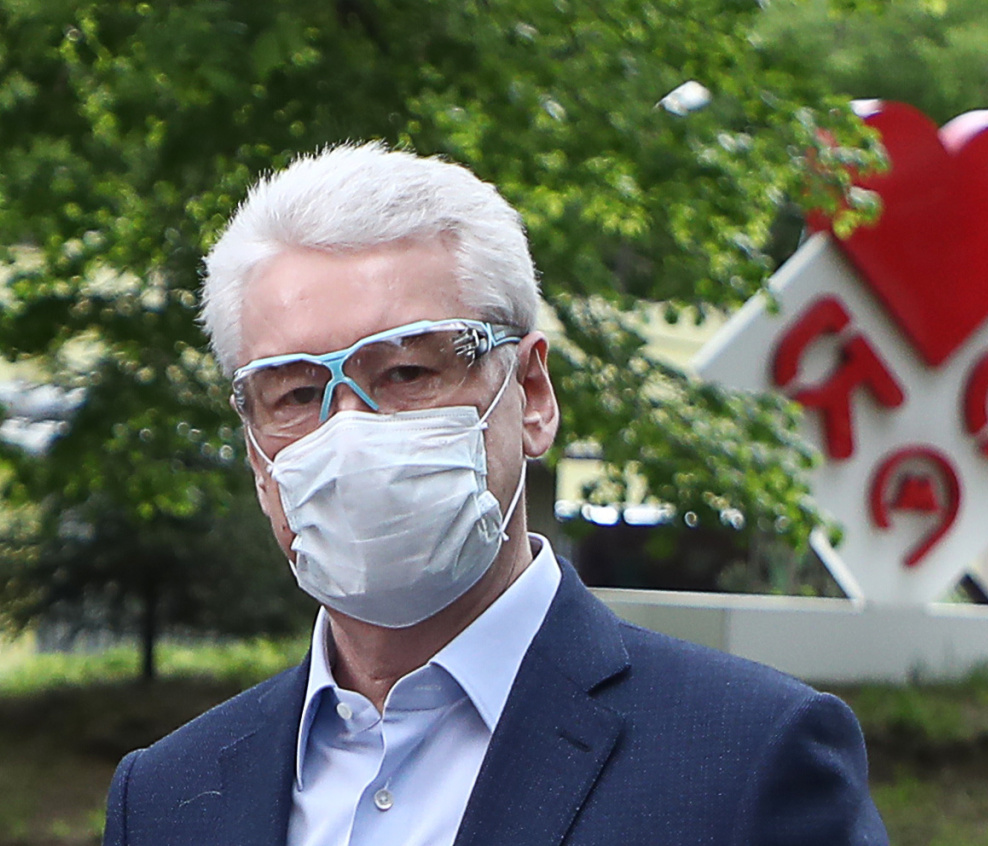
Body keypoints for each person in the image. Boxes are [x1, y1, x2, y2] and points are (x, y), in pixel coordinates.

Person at [102, 142, 889, 846]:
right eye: (298, 393)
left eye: (406, 372)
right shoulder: (165, 799)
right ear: (253, 449)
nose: (349, 433)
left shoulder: (745, 761)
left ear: (532, 394)